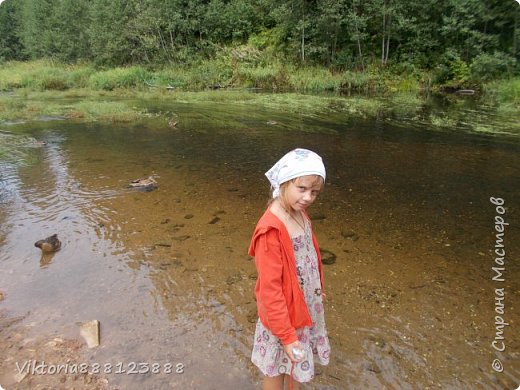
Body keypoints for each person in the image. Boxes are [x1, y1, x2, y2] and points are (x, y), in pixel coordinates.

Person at [249, 148, 331, 390]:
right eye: (302, 188)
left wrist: (318, 289)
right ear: (284, 183)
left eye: (314, 192)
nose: (308, 197)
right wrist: (286, 335)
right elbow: (270, 289)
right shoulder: (270, 230)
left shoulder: (299, 213)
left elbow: (311, 256)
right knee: (275, 368)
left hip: (304, 305)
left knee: (295, 364)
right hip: (282, 316)